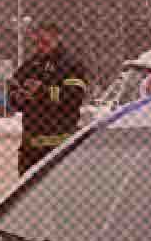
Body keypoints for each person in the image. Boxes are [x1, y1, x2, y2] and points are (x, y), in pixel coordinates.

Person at [7, 21, 89, 175]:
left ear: (57, 38)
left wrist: (42, 92)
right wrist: (18, 97)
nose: (39, 46)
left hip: (60, 149)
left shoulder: (70, 65)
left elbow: (74, 97)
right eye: (36, 42)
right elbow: (13, 90)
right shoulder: (30, 65)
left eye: (44, 42)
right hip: (30, 152)